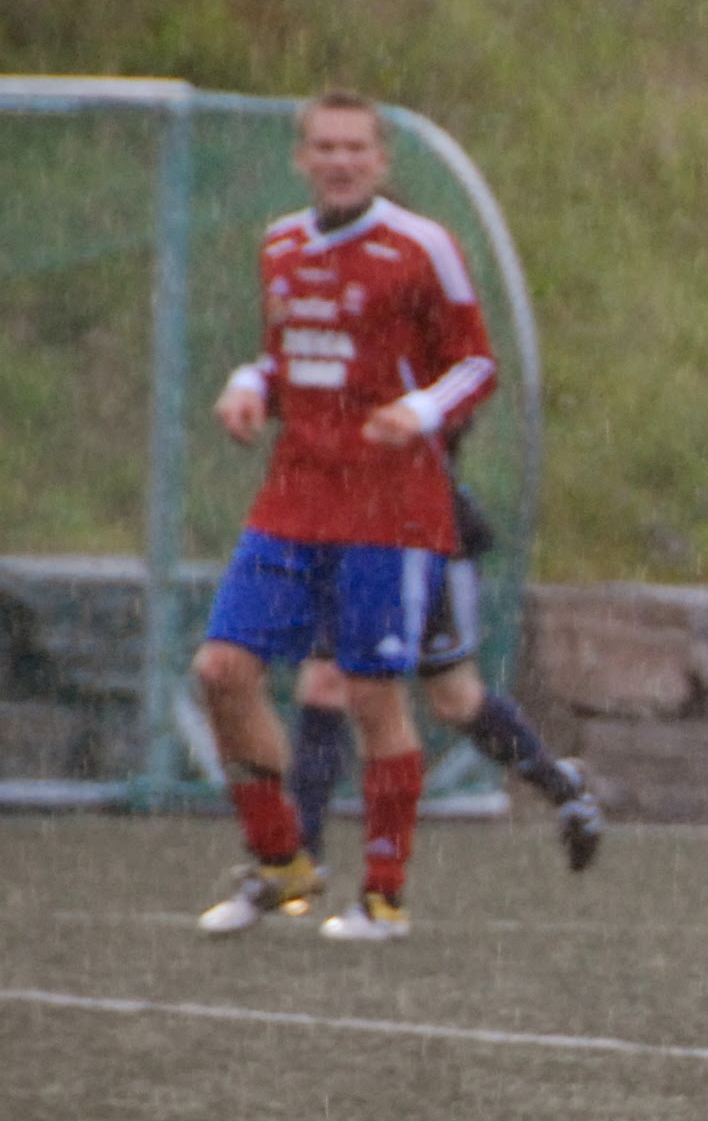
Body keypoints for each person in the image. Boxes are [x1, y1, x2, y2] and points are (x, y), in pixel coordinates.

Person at [193, 91, 497, 944]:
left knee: (370, 694)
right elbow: (283, 357)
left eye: (355, 147)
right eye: (324, 147)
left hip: (388, 508)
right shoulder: (282, 245)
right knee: (221, 669)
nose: (340, 160)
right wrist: (250, 387)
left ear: (380, 160)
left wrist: (420, 411)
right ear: (302, 158)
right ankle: (280, 860)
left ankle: (384, 895)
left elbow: (476, 364)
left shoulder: (421, 246)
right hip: (294, 499)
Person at [284, 466, 606, 884]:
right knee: (325, 682)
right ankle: (302, 856)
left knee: (453, 698)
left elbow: (434, 436)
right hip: (355, 538)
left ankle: (562, 788)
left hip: (429, 539)